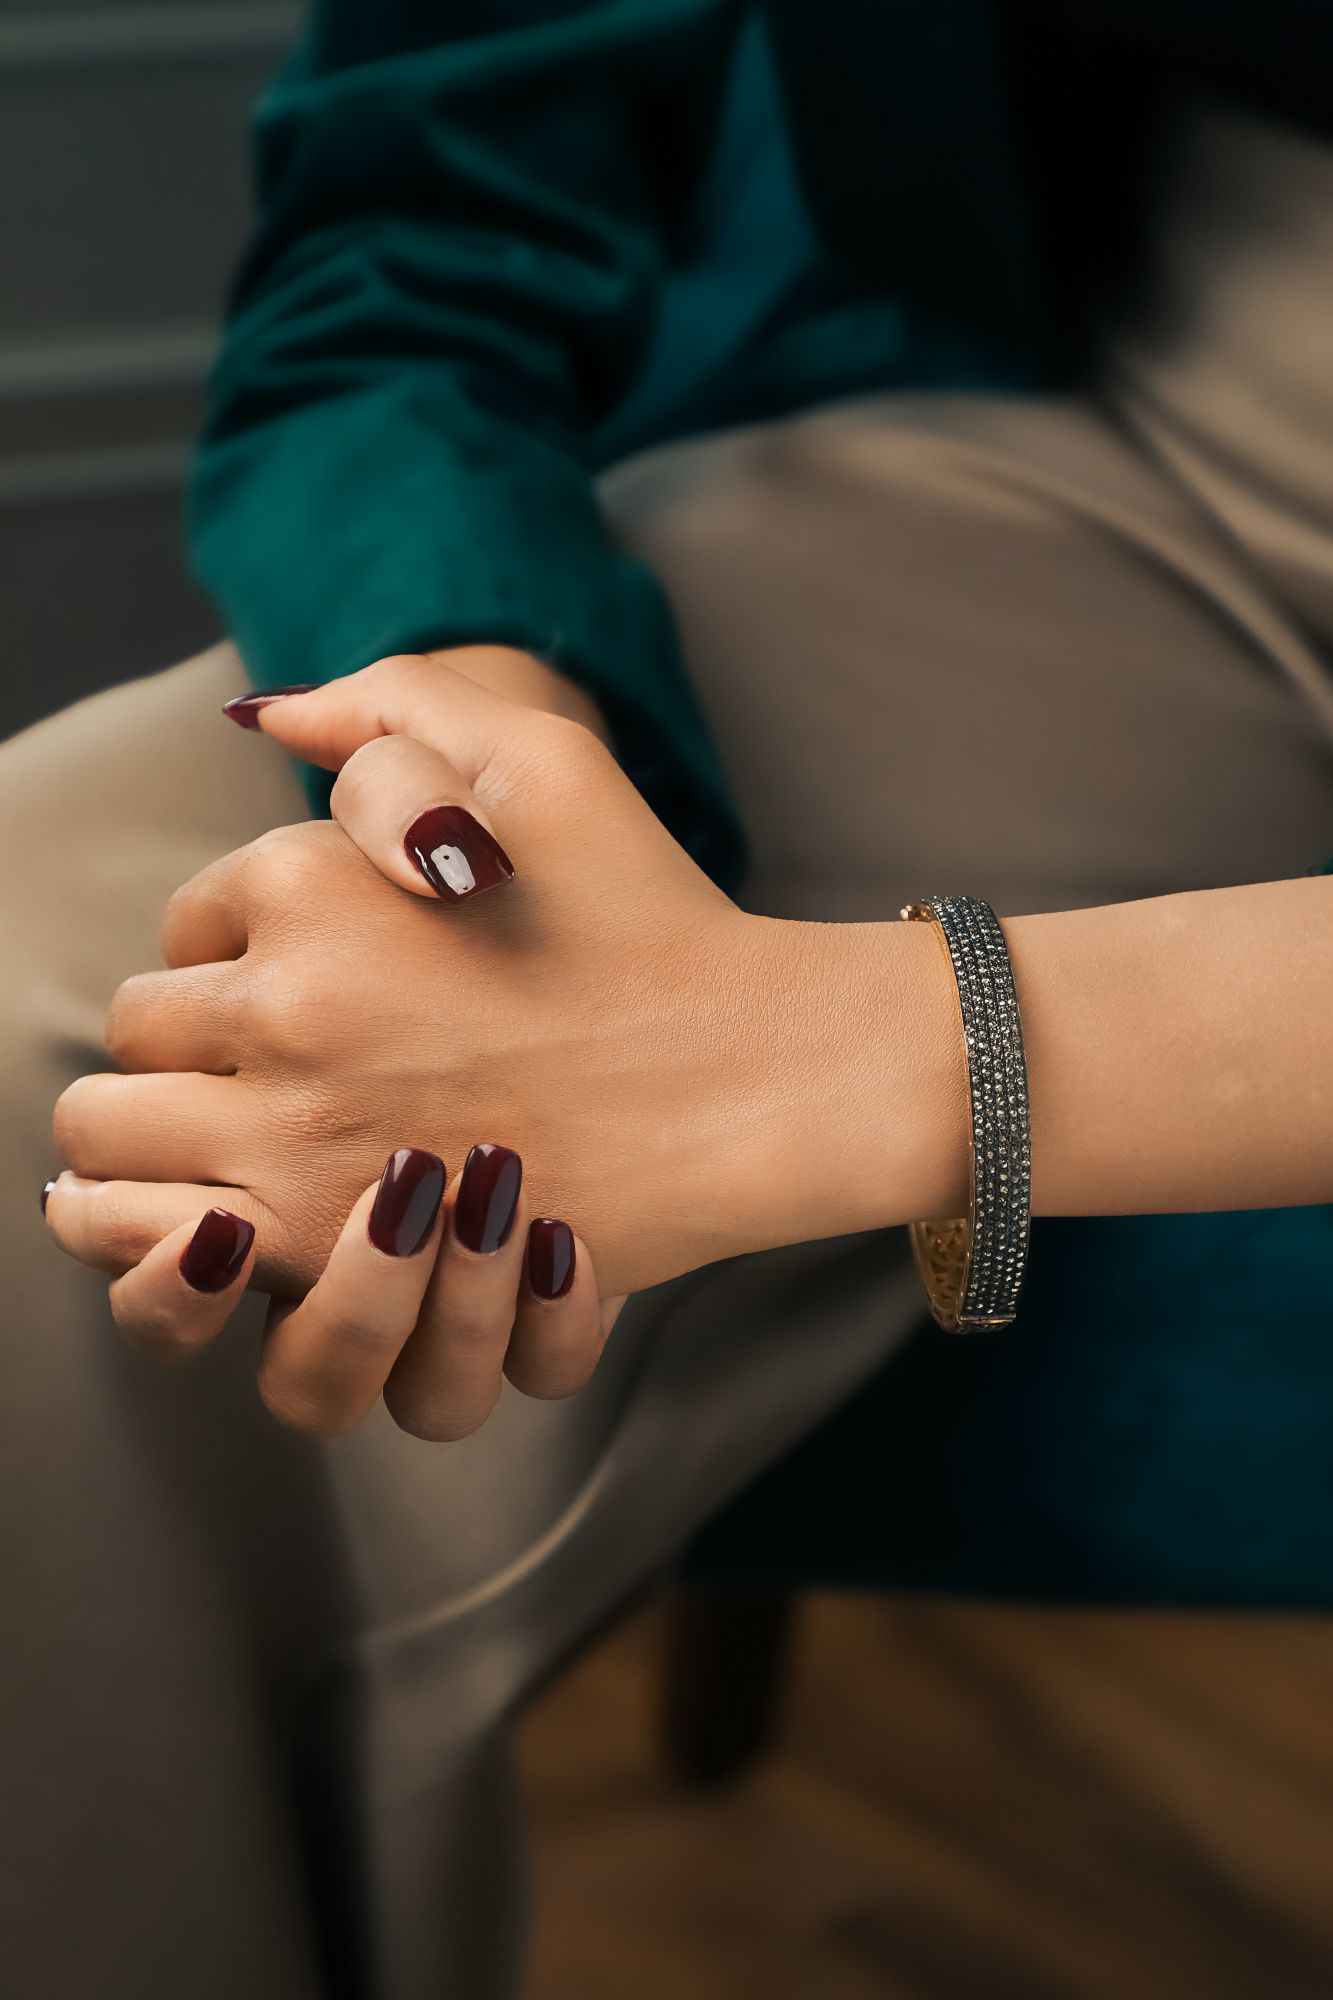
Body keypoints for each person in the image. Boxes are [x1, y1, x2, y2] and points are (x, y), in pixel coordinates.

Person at [4, 6, 1333, 1997]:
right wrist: (485, 730)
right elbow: (424, 200)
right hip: (1204, 427)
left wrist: (855, 1055)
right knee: (88, 1014)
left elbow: (824, 1063)